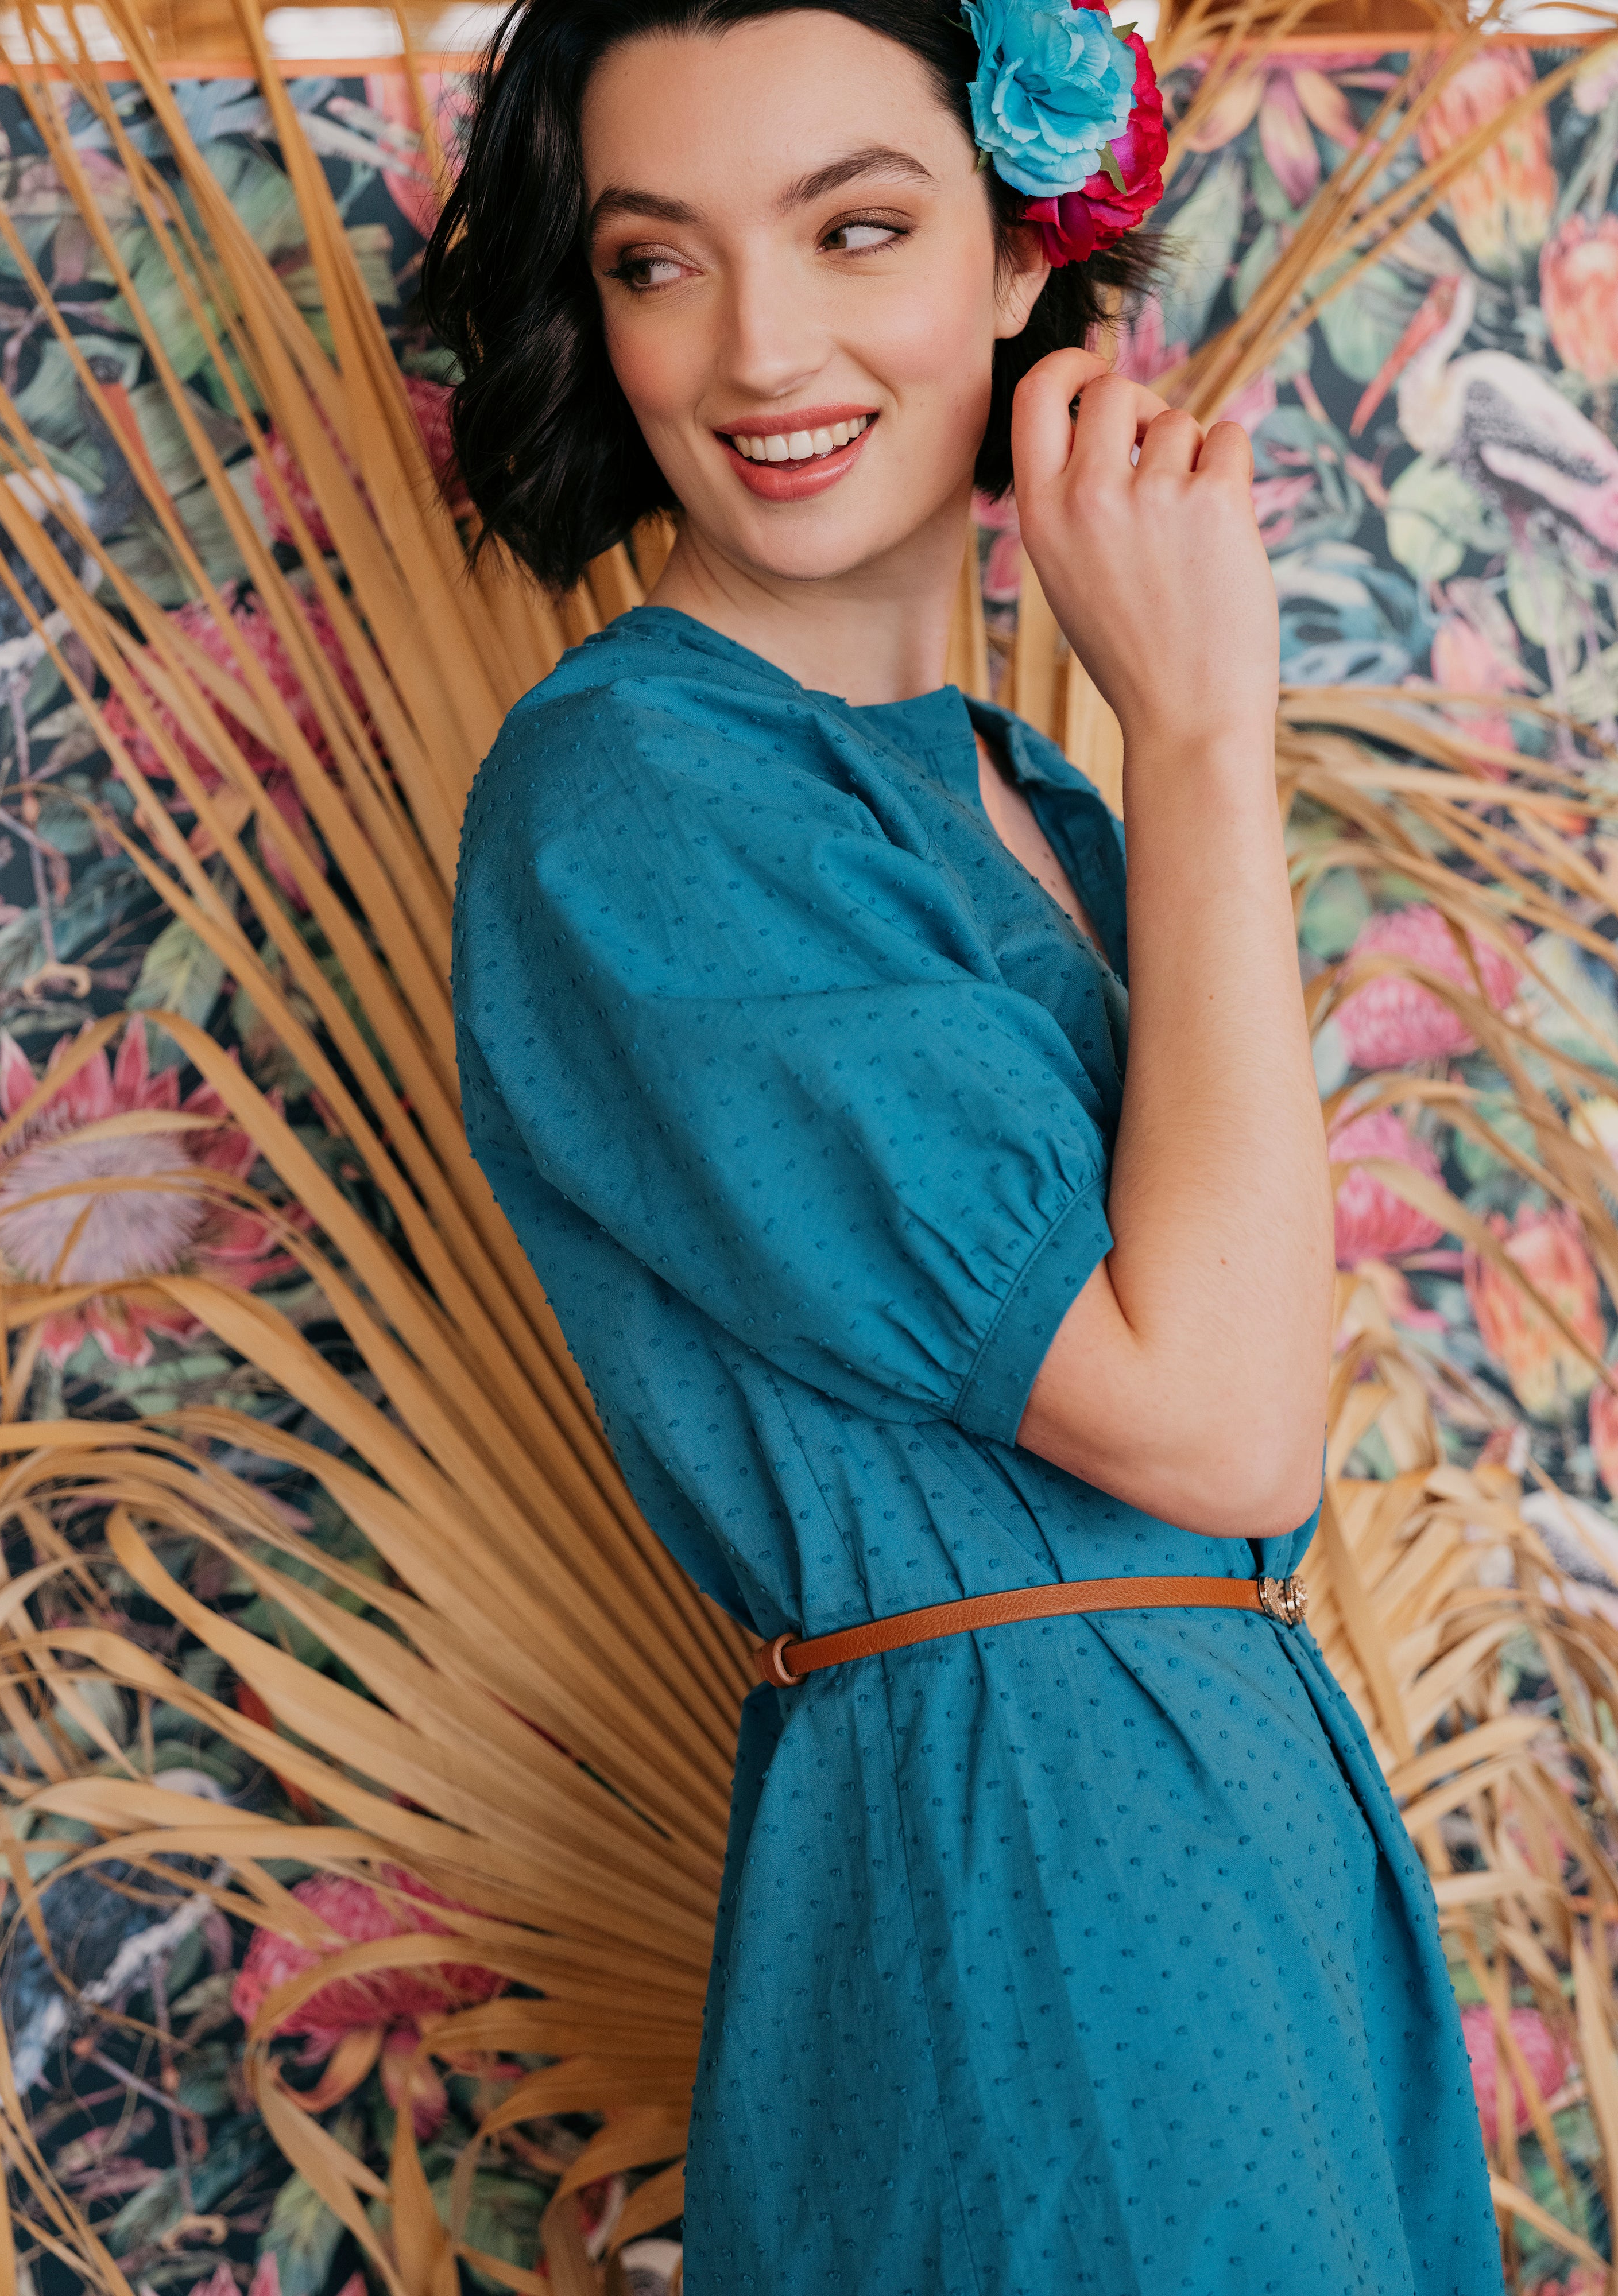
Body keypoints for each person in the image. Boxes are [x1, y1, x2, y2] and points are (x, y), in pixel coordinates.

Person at [424, 1, 1501, 2287]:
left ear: (1022, 252)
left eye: (856, 228)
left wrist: (1164, 767)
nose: (758, 347)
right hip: (1034, 1887)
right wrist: (1208, 732)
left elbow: (1248, 1419)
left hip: (1247, 1855)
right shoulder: (635, 794)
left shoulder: (1049, 804)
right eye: (656, 259)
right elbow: (1216, 1420)